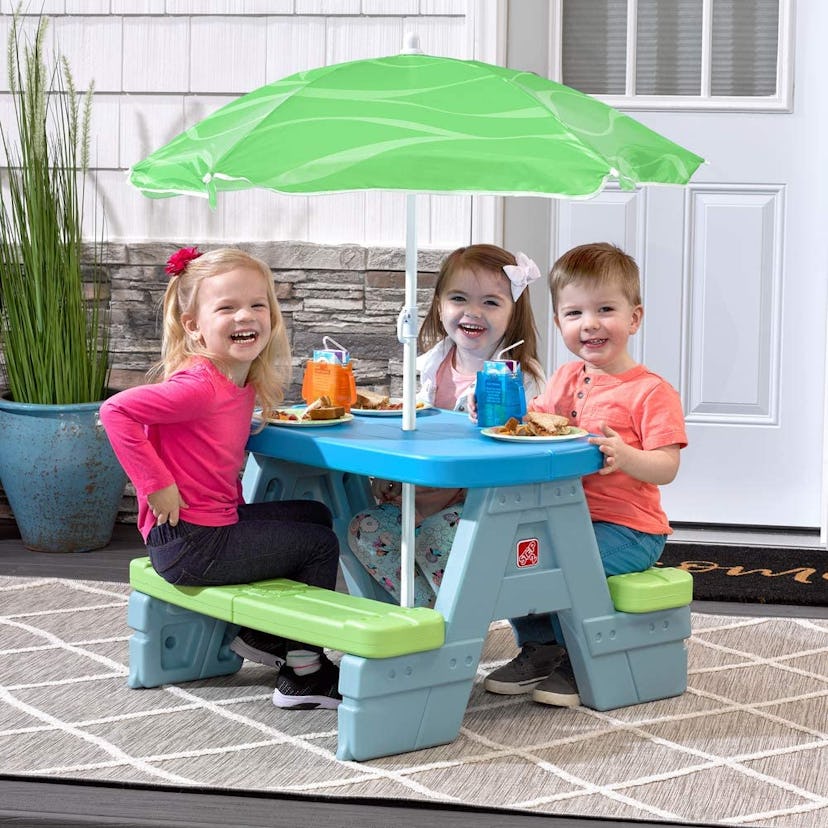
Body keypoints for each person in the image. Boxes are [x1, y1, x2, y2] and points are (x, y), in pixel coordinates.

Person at [100, 246, 342, 710]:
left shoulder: (233, 380)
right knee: (319, 546)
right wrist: (155, 483)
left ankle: (265, 635)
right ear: (193, 325)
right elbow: (116, 412)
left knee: (314, 514)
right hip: (192, 544)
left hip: (206, 529)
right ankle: (304, 670)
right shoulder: (199, 386)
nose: (244, 316)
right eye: (226, 307)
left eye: (256, 305)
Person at [479, 242, 688, 707]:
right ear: (559, 324)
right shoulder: (565, 378)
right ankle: (540, 647)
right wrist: (497, 408)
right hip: (562, 518)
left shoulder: (651, 392)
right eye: (574, 313)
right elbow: (536, 419)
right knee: (515, 558)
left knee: (564, 564)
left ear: (634, 318)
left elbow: (667, 465)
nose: (589, 323)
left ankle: (579, 658)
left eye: (605, 309)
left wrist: (627, 455)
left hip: (628, 529)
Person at [347, 244, 546, 607]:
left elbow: (523, 447)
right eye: (459, 298)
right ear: (440, 306)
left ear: (513, 313)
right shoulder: (430, 366)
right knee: (364, 528)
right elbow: (414, 435)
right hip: (422, 493)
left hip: (483, 503)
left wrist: (495, 416)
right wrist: (394, 478)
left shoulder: (520, 378)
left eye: (491, 302)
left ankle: (457, 624)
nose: (473, 312)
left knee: (436, 538)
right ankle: (427, 619)